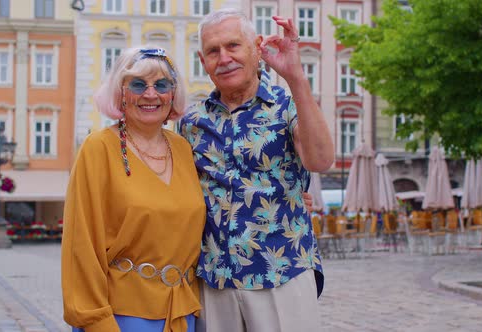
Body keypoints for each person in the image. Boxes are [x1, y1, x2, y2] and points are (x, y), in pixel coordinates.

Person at [178, 8, 334, 332]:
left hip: (282, 272)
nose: (224, 58)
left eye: (233, 45)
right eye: (213, 51)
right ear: (202, 59)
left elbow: (320, 160)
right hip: (214, 280)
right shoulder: (191, 123)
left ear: (256, 47)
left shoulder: (286, 105)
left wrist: (296, 77)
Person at [61, 47, 206, 332]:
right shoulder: (98, 148)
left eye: (162, 85)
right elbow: (82, 242)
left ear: (172, 94)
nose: (151, 94)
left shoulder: (183, 148)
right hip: (123, 315)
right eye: (138, 85)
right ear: (121, 93)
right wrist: (95, 319)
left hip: (182, 312)